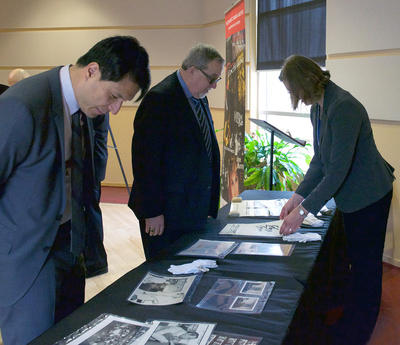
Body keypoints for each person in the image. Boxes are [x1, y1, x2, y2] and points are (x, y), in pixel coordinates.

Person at [0, 35, 150, 345]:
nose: (117, 109)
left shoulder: (83, 107)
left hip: (70, 250)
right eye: (115, 96)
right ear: (92, 71)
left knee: (70, 336)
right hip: (27, 261)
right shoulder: (22, 106)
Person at [278, 55, 395, 345]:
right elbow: (320, 160)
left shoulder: (344, 107)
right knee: (345, 258)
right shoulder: (319, 108)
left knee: (366, 265)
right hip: (350, 196)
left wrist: (302, 212)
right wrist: (298, 195)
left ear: (304, 83)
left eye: (293, 91)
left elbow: (337, 172)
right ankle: (344, 313)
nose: (294, 98)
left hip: (369, 196)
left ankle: (360, 330)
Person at [129, 43, 224, 260]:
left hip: (192, 209)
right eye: (212, 79)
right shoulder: (159, 99)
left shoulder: (199, 96)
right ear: (192, 70)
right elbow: (146, 162)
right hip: (167, 213)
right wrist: (152, 212)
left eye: (217, 79)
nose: (214, 86)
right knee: (166, 272)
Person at [84, 113, 109, 278]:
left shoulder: (95, 101)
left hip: (90, 166)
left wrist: (96, 171)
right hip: (91, 163)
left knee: (90, 214)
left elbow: (98, 134)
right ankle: (94, 262)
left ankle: (96, 263)